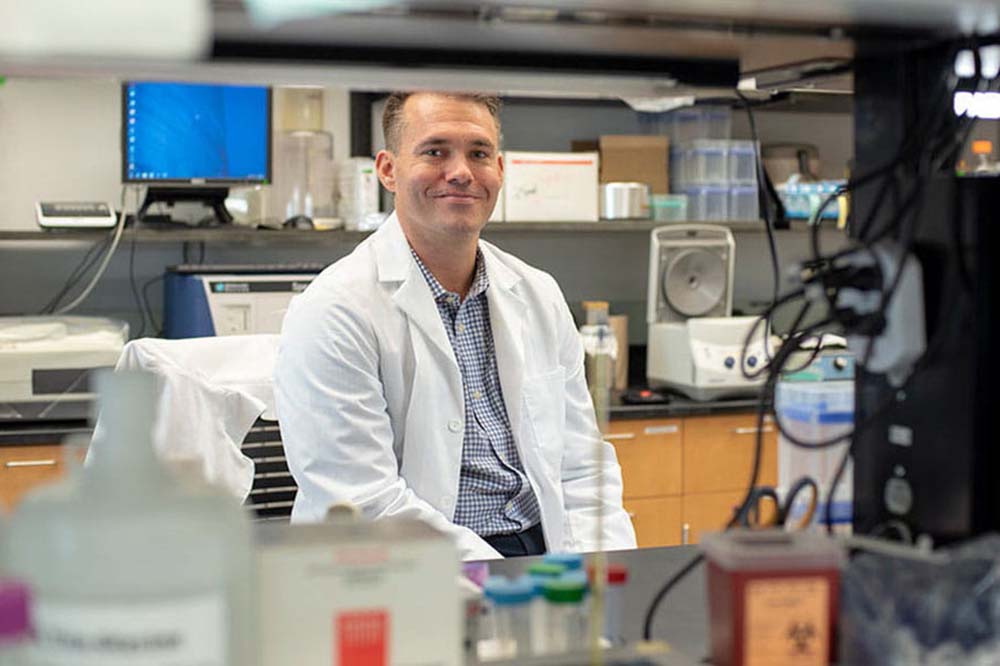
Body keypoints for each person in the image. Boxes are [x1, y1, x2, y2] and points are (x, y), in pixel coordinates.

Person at [274, 91, 636, 560]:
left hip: (545, 551)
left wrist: (601, 569)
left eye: (479, 153)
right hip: (406, 566)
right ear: (388, 169)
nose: (461, 171)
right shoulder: (335, 309)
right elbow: (363, 501)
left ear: (500, 170)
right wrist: (504, 582)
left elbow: (583, 469)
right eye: (435, 151)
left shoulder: (538, 294)